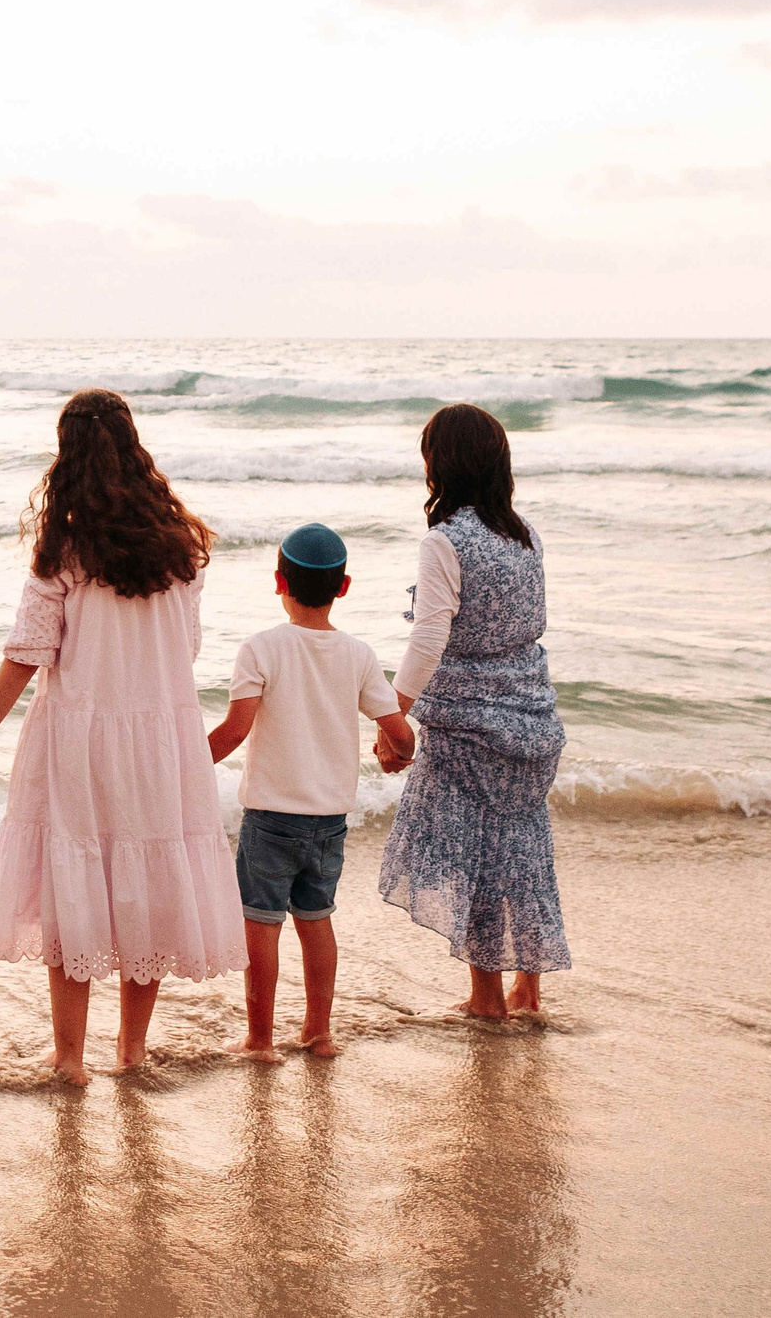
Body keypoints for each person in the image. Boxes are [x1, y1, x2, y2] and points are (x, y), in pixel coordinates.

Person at [0, 389, 244, 1085]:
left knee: (73, 884)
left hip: (79, 738)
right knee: (145, 882)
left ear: (68, 457)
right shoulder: (184, 548)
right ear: (134, 446)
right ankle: (133, 1050)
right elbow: (189, 646)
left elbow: (28, 651)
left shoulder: (66, 545)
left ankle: (68, 1056)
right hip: (162, 739)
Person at [379, 402, 573, 1019]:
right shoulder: (525, 535)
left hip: (468, 725)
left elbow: (430, 636)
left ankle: (486, 998)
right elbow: (525, 626)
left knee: (475, 855)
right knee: (522, 849)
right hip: (532, 718)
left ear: (442, 466)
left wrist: (393, 715)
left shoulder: (445, 542)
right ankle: (528, 990)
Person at [206, 522, 415, 1058]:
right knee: (316, 921)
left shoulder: (261, 649)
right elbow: (399, 731)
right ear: (343, 587)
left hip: (271, 818)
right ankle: (319, 1032)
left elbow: (234, 731)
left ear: (279, 581)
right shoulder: (359, 654)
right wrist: (397, 752)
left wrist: (180, 767)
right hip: (330, 821)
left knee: (262, 926)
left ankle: (259, 1039)